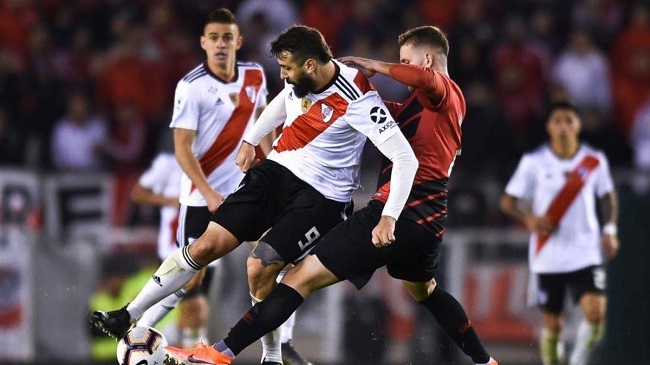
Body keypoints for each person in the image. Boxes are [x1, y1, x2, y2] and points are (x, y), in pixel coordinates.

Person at [164, 25, 498, 365]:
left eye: (405, 61)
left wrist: (373, 66)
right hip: (430, 220)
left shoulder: (444, 90)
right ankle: (485, 361)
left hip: (397, 211)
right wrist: (343, 89)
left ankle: (218, 354)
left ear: (427, 60)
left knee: (299, 278)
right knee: (424, 290)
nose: (400, 68)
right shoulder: (427, 108)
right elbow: (376, 113)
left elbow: (424, 81)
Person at [90, 24, 418, 365]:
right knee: (205, 245)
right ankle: (128, 314)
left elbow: (405, 158)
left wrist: (389, 216)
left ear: (310, 65)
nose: (282, 74)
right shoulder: (299, 80)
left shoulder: (360, 99)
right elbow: (280, 103)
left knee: (259, 267)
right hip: (275, 173)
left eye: (287, 68)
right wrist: (251, 140)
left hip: (322, 198)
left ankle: (271, 355)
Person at [499, 101, 619, 365]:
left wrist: (609, 230)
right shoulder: (534, 162)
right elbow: (508, 200)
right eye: (558, 121)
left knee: (596, 313)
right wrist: (528, 218)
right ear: (548, 127)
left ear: (578, 125)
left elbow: (607, 196)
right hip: (548, 253)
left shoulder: (593, 161)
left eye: (569, 120)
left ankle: (578, 360)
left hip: (586, 250)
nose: (563, 126)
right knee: (553, 325)